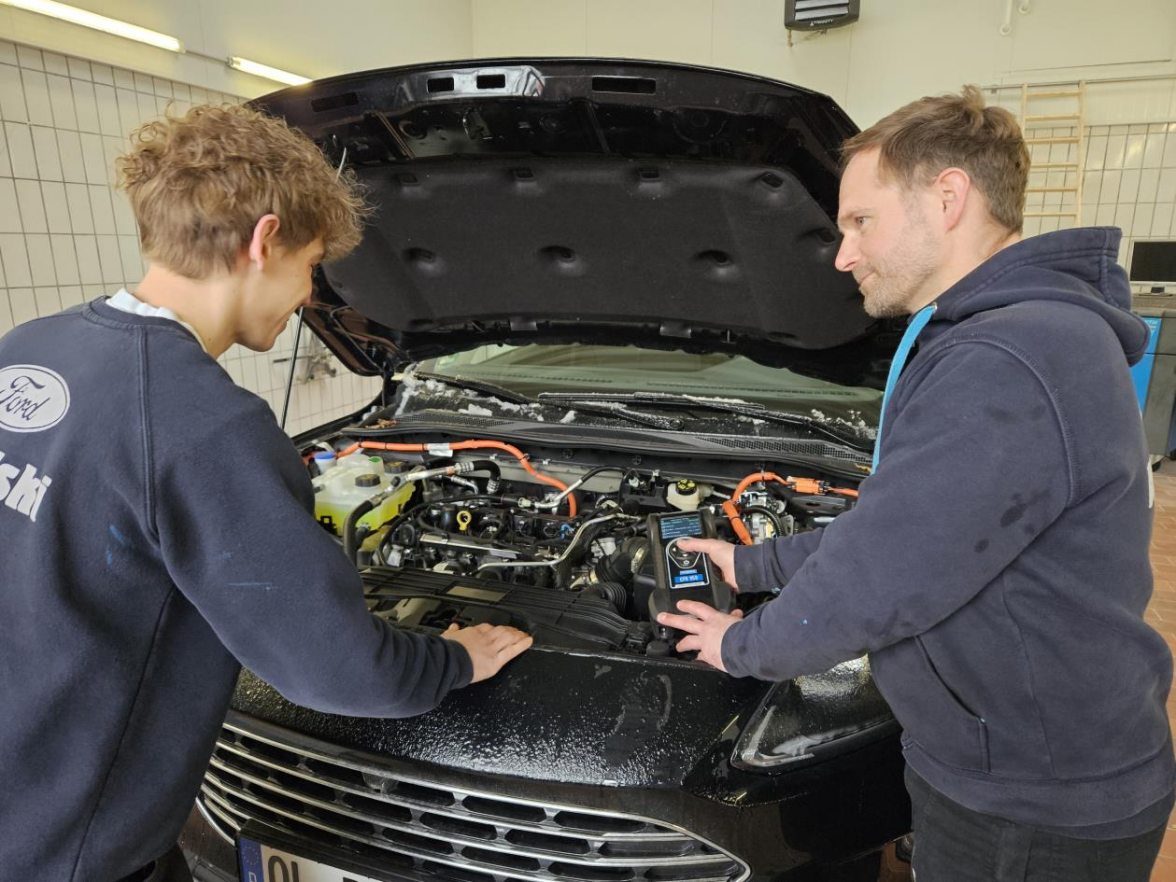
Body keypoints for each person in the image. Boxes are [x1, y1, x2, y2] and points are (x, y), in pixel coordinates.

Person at [0, 104, 532, 882]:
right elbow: (338, 672)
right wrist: (455, 658)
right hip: (68, 846)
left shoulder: (29, 349)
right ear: (263, 241)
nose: (309, 296)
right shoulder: (206, 424)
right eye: (310, 264)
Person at [659, 86, 1175, 880]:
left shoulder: (1006, 359)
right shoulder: (1025, 335)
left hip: (1030, 807)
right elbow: (907, 533)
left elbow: (875, 580)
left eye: (860, 220)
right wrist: (750, 566)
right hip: (1019, 761)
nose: (842, 254)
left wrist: (741, 644)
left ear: (948, 198)